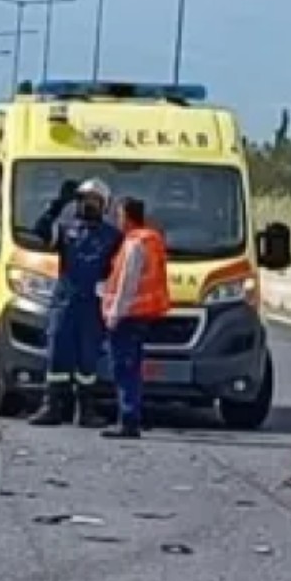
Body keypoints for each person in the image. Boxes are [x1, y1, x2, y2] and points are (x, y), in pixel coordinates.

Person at [29, 177, 123, 428]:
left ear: (104, 205)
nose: (89, 205)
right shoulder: (65, 229)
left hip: (92, 306)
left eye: (95, 200)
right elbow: (40, 231)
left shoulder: (113, 237)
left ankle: (86, 410)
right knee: (57, 356)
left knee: (87, 360)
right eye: (85, 199)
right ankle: (51, 406)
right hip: (65, 304)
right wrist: (56, 206)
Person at [99, 197, 171, 440]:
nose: (117, 220)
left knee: (124, 368)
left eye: (119, 215)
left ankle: (128, 420)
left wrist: (114, 314)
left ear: (127, 217)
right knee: (133, 366)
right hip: (143, 314)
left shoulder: (133, 244)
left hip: (128, 315)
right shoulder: (152, 240)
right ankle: (132, 415)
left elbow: (127, 283)